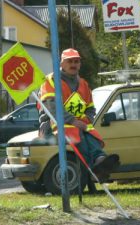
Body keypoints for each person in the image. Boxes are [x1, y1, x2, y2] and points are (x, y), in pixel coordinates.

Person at [38, 48, 120, 182]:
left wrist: (87, 120)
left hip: (76, 124)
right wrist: (74, 121)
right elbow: (51, 107)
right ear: (61, 64)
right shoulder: (51, 81)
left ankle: (100, 160)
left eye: (76, 61)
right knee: (77, 132)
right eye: (69, 61)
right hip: (52, 124)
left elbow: (90, 108)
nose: (73, 64)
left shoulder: (83, 84)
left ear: (80, 64)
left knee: (90, 132)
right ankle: (94, 168)